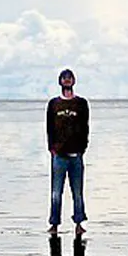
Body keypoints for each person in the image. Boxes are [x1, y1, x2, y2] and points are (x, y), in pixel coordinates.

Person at [45, 68, 89, 236]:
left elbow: (85, 127)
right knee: (56, 192)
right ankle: (54, 224)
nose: (67, 80)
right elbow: (49, 128)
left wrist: (83, 148)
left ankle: (79, 224)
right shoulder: (54, 104)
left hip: (76, 155)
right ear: (60, 81)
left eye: (69, 78)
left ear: (74, 81)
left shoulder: (81, 103)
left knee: (77, 192)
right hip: (59, 156)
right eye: (64, 78)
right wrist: (52, 149)